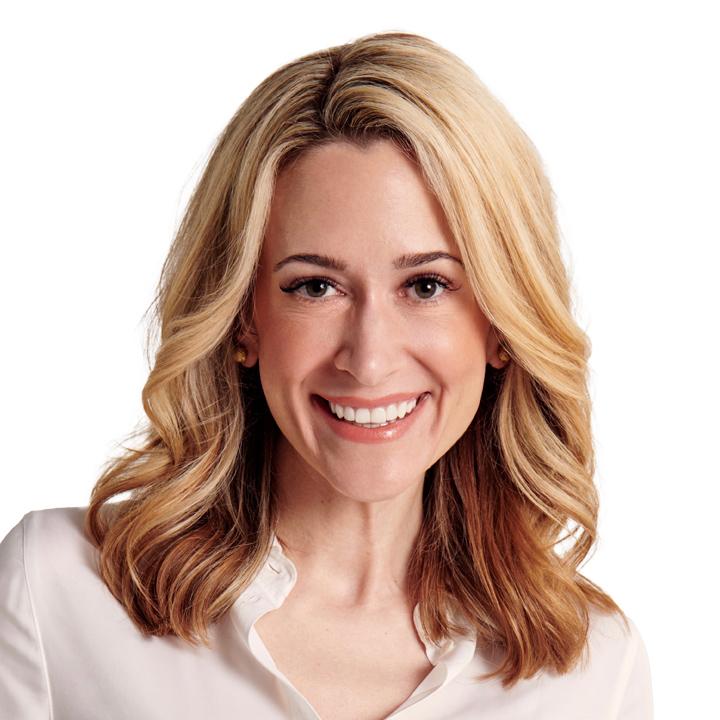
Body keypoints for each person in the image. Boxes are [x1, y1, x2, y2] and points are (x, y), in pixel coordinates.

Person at [0, 31, 653, 719]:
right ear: (243, 319)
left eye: (426, 286)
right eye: (315, 287)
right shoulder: (54, 596)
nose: (368, 359)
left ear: (500, 325)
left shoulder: (594, 672)